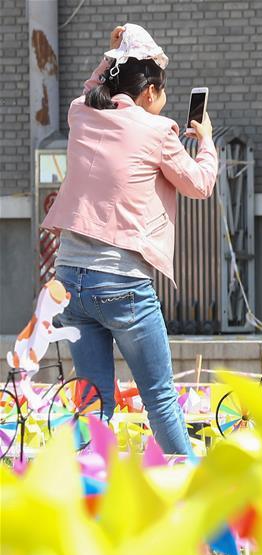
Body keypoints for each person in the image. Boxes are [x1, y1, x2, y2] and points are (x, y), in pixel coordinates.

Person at [42, 25, 218, 454]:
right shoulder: (158, 132)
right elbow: (200, 184)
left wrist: (120, 49)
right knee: (159, 398)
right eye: (163, 91)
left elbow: (92, 85)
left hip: (68, 279)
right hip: (122, 283)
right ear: (151, 91)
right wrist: (207, 141)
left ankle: (87, 496)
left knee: (92, 403)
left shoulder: (82, 113)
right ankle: (188, 498)